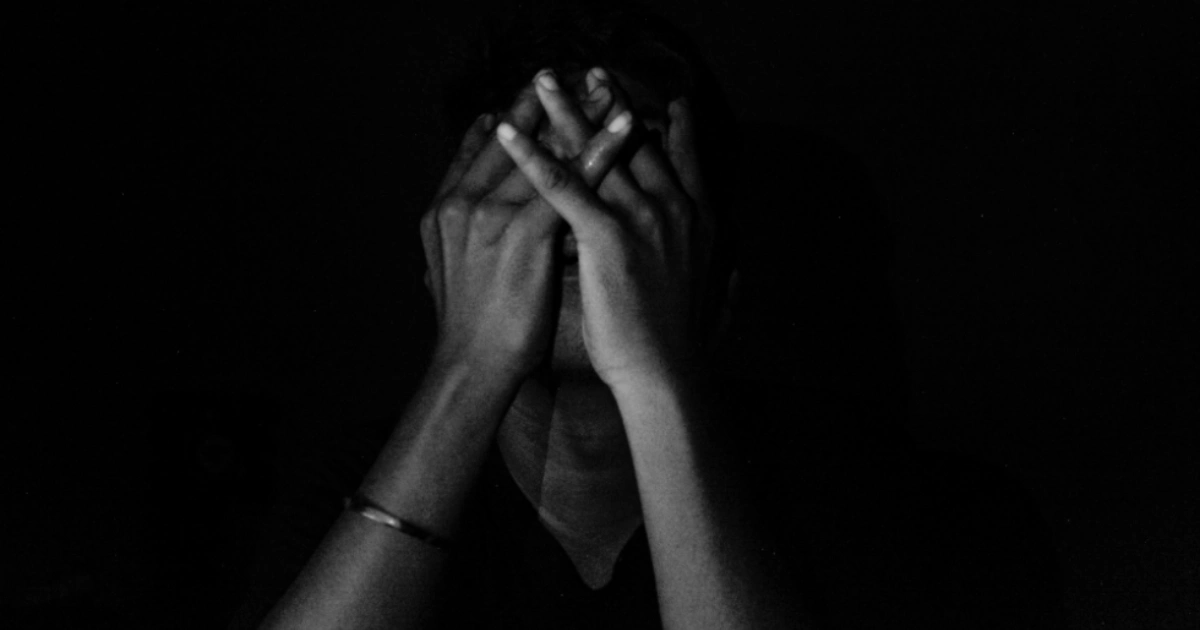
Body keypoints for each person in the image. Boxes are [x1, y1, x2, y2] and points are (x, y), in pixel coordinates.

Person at [232, 5, 1063, 629]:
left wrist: (654, 375)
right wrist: (467, 368)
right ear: (449, 253)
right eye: (526, 173)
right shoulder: (343, 483)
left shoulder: (877, 492)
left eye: (630, 177)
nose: (573, 212)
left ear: (721, 279)